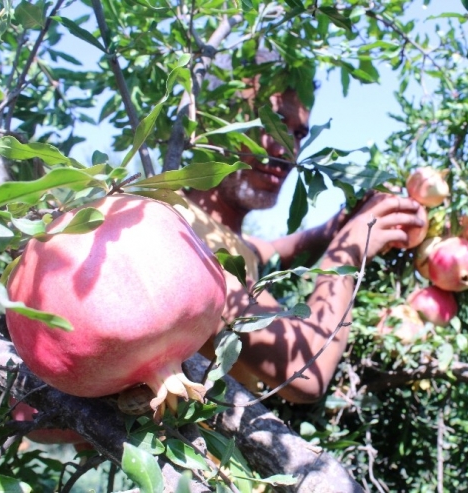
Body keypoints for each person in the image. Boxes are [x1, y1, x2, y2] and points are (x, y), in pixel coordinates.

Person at [178, 56, 425, 403]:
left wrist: (338, 225)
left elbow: (271, 250)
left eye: (297, 134)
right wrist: (347, 252)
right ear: (211, 118)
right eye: (273, 122)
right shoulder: (180, 234)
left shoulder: (217, 234)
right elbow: (306, 370)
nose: (285, 150)